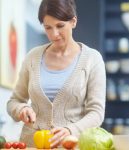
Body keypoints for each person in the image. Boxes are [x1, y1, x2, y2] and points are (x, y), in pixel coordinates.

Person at [7, 0, 106, 148]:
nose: (54, 34)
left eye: (60, 26)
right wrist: (21, 109)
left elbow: (96, 113)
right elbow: (13, 102)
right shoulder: (32, 57)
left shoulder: (92, 59)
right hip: (31, 145)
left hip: (70, 145)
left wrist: (70, 130)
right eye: (48, 28)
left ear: (73, 21)